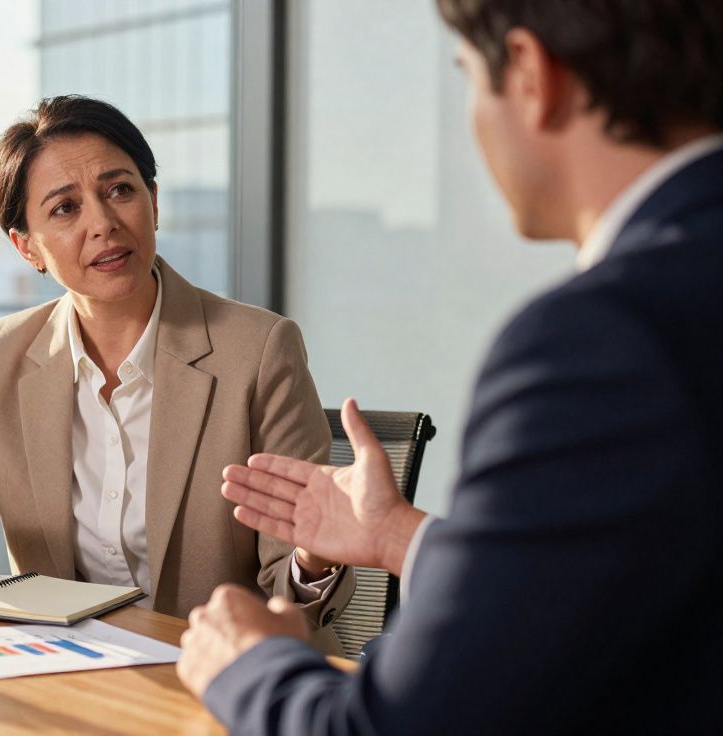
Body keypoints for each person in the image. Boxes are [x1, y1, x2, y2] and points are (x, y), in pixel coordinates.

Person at [177, 1, 723, 733]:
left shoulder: (602, 340)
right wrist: (397, 535)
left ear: (531, 74)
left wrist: (250, 664)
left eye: (468, 76)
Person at [0, 95, 354, 649]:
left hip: (229, 673)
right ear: (26, 247)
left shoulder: (258, 349)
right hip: (70, 668)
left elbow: (292, 599)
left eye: (120, 190)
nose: (103, 223)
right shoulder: (5, 353)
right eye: (65, 208)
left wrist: (315, 553)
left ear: (153, 202)